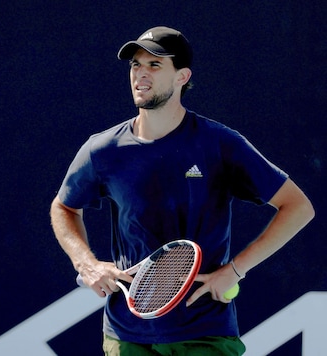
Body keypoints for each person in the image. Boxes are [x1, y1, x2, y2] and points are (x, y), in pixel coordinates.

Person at [49, 26, 314, 355]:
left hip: (205, 333)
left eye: (154, 65)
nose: (140, 75)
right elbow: (63, 208)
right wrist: (86, 263)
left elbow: (298, 207)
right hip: (127, 336)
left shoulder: (219, 144)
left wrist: (234, 270)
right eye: (135, 65)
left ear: (182, 76)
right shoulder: (103, 150)